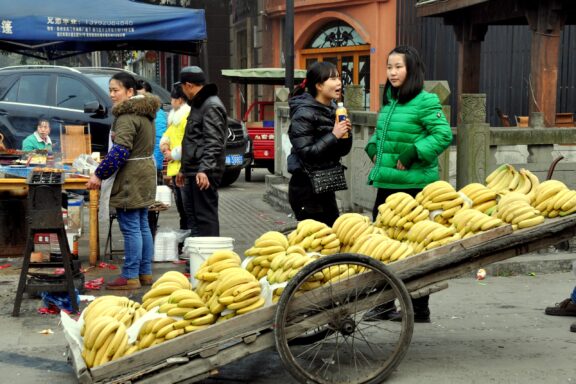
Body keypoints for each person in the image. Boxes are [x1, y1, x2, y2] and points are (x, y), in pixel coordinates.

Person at [363, 45, 453, 323]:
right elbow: (382, 135)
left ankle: (418, 307)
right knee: (382, 246)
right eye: (389, 67)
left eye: (398, 67)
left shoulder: (425, 101)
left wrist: (414, 151)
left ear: (411, 69)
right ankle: (384, 303)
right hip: (387, 185)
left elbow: (443, 134)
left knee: (414, 247)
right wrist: (372, 147)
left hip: (414, 188)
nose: (392, 72)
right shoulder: (390, 101)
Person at [86, 72, 159, 290]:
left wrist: (99, 174)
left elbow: (120, 151)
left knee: (131, 228)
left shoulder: (127, 116)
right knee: (142, 225)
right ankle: (144, 273)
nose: (111, 94)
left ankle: (129, 276)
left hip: (131, 177)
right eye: (110, 90)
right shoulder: (146, 113)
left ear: (130, 92)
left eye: (116, 90)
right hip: (145, 172)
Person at [286, 61, 352, 227]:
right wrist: (333, 135)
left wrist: (345, 135)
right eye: (332, 78)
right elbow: (306, 153)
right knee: (315, 241)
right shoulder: (303, 113)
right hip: (306, 189)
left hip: (325, 186)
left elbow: (342, 151)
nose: (338, 82)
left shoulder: (333, 109)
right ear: (319, 85)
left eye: (338, 77)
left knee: (331, 236)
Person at [175, 66, 227, 236]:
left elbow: (214, 141)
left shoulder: (211, 105)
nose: (182, 91)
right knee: (194, 218)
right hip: (193, 170)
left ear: (188, 85)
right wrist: (183, 169)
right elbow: (192, 140)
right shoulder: (199, 104)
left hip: (203, 172)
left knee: (205, 217)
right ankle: (198, 258)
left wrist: (205, 169)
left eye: (182, 87)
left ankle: (210, 257)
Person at [160, 84, 191, 233]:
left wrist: (173, 154)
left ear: (179, 100)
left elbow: (188, 142)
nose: (170, 101)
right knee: (181, 208)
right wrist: (164, 145)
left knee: (187, 208)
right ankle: (184, 236)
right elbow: (168, 134)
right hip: (174, 167)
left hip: (183, 167)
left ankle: (189, 237)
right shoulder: (174, 116)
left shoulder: (186, 116)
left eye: (172, 98)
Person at [137, 79, 168, 185]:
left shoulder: (158, 113)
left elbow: (160, 139)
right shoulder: (134, 113)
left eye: (143, 96)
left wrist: (156, 165)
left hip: (152, 165)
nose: (141, 100)